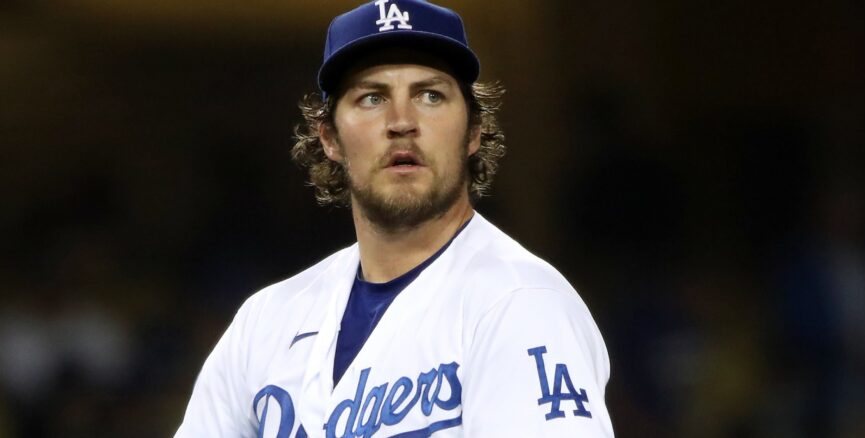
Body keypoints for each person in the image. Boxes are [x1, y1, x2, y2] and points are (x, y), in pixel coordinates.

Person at [175, 1, 614, 436]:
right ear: (329, 137)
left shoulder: (521, 303)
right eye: (371, 97)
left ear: (473, 131)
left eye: (430, 95)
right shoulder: (265, 322)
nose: (402, 121)